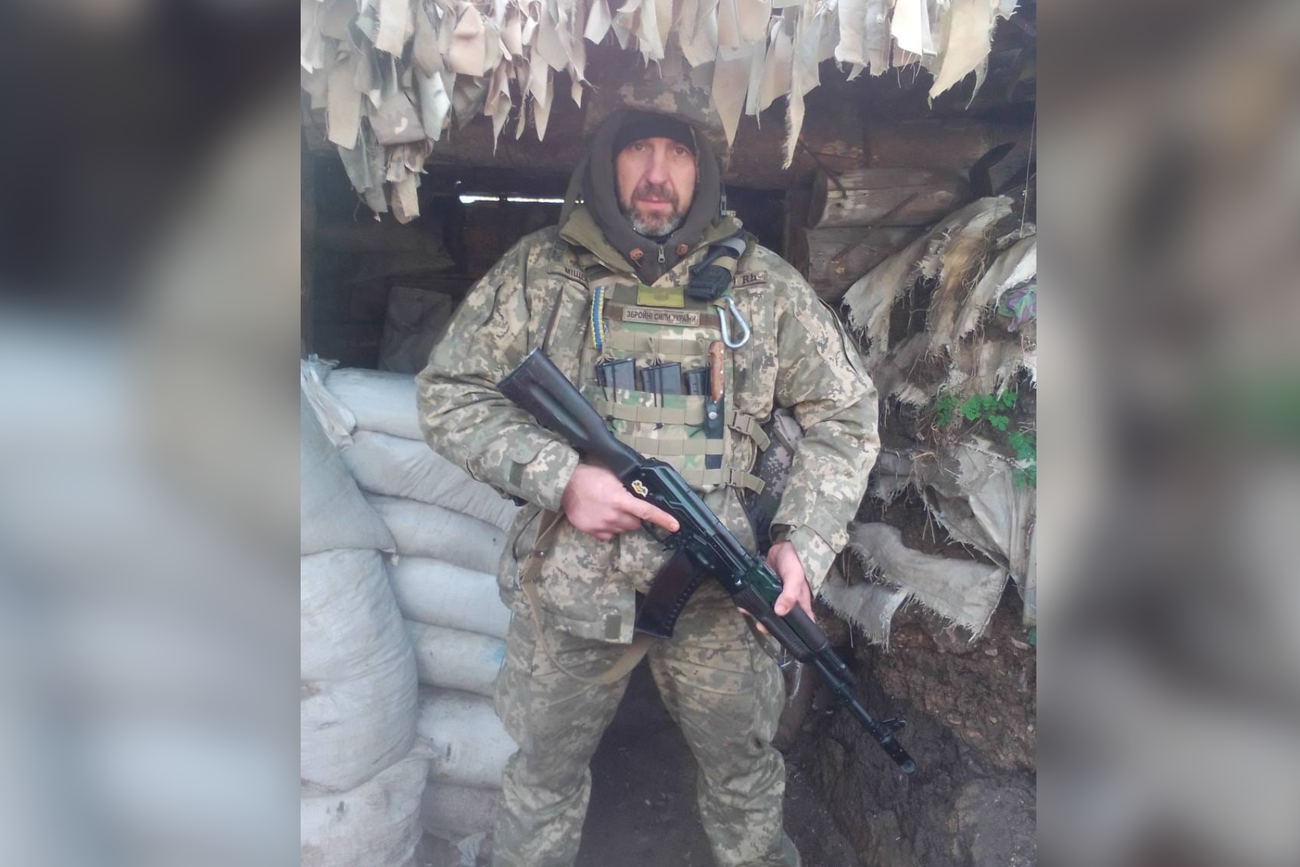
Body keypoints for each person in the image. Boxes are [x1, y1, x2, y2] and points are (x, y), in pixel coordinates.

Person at [417, 106, 879, 867]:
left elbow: (847, 414)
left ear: (705, 169)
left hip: (719, 592)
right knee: (543, 778)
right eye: (638, 149)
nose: (658, 174)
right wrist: (562, 477)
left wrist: (803, 541)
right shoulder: (542, 273)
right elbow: (448, 394)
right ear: (607, 160)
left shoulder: (762, 286)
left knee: (743, 776)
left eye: (678, 153)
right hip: (572, 587)